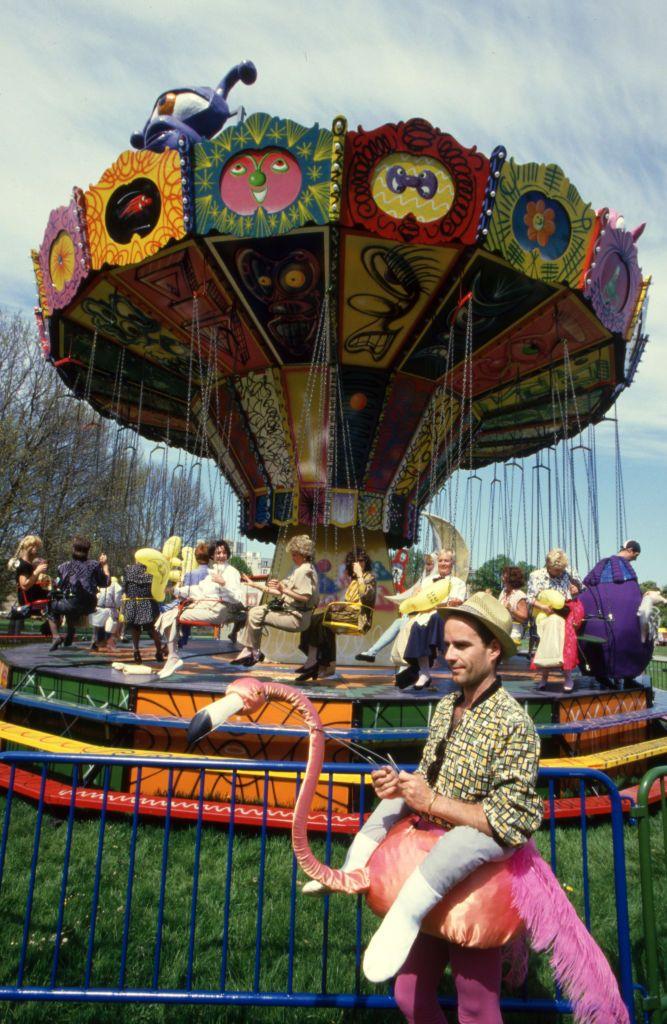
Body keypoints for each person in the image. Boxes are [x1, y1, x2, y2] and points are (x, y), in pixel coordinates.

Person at [304, 592, 542, 1020]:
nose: (448, 655)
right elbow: (434, 775)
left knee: (475, 1005)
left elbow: (513, 820)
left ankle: (404, 914)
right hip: (424, 857)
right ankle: (352, 871)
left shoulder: (514, 723)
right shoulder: (447, 705)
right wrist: (402, 785)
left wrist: (431, 801)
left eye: (462, 646)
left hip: (475, 879)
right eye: (446, 645)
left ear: (493, 649)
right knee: (409, 995)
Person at [156, 539, 245, 677]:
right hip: (206, 605)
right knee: (170, 614)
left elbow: (237, 598)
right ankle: (172, 656)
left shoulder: (232, 572)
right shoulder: (212, 572)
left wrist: (224, 584)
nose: (221, 556)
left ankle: (173, 656)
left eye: (224, 552)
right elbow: (199, 590)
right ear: (212, 556)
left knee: (173, 615)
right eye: (217, 553)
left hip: (220, 609)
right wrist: (177, 591)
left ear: (228, 554)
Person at [231, 535, 319, 668]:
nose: (292, 557)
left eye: (295, 554)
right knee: (254, 611)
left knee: (255, 614)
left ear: (303, 554)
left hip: (297, 618)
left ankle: (254, 652)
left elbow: (305, 597)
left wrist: (283, 589)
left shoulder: (304, 571)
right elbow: (278, 591)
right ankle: (249, 649)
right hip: (294, 614)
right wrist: (254, 584)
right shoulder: (304, 569)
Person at [391, 549, 468, 690]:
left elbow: (458, 600)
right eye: (441, 560)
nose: (443, 563)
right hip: (426, 614)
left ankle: (456, 668)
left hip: (446, 615)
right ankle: (424, 673)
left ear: (452, 563)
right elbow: (418, 600)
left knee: (437, 619)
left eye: (446, 560)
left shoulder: (458, 582)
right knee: (415, 626)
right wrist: (415, 596)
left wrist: (453, 602)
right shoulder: (427, 581)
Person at [579, 540, 652, 687]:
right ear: (630, 550)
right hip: (622, 632)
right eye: (636, 555)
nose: (635, 559)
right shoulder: (629, 583)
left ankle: (602, 675)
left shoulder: (600, 571)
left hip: (596, 631)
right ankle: (627, 676)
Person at [297, 549, 376, 681]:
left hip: (359, 617)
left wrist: (360, 575)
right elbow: (349, 601)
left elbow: (367, 597)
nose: (358, 564)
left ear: (365, 562)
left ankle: (320, 663)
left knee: (321, 620)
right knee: (312, 620)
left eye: (361, 561)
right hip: (348, 613)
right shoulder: (354, 580)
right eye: (355, 562)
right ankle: (318, 662)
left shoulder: (369, 577)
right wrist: (339, 605)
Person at [527, 548, 584, 691]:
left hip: (565, 610)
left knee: (568, 641)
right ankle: (544, 676)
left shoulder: (567, 572)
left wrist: (576, 588)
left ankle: (568, 676)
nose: (559, 573)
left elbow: (582, 587)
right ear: (547, 564)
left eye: (561, 570)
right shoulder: (536, 576)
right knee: (549, 639)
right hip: (545, 612)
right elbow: (530, 598)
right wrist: (543, 607)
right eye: (555, 570)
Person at [47, 537, 111, 650]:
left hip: (72, 603)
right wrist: (105, 565)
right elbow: (105, 582)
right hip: (89, 604)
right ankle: (70, 636)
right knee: (69, 604)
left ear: (73, 549)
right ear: (88, 550)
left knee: (52, 606)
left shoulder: (63, 567)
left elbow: (60, 586)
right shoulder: (94, 565)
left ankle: (56, 637)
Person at [120, 559, 165, 664]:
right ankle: (159, 651)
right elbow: (157, 590)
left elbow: (124, 588)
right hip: (148, 603)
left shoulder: (128, 570)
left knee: (135, 629)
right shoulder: (152, 572)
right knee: (154, 629)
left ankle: (136, 651)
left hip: (133, 603)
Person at [7, 535, 50, 635]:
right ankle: (49, 631)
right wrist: (37, 571)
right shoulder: (24, 565)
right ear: (29, 547)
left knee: (56, 598)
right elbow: (24, 585)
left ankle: (48, 630)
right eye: (36, 547)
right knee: (57, 604)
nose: (37, 550)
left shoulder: (28, 564)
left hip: (33, 597)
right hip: (30, 600)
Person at [176, 541, 212, 650]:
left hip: (193, 605)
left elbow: (185, 593)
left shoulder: (190, 574)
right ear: (209, 557)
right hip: (209, 604)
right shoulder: (214, 573)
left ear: (196, 558)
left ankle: (182, 637)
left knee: (180, 606)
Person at [89, 575, 124, 651]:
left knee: (110, 626)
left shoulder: (114, 585)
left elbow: (117, 599)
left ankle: (109, 643)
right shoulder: (97, 583)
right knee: (97, 627)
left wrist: (116, 606)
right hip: (99, 608)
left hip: (109, 609)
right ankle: (94, 643)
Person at [499, 565, 529, 646]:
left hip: (514, 629)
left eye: (504, 575)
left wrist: (510, 609)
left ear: (511, 578)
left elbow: (524, 618)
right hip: (501, 626)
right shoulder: (503, 592)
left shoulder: (520, 595)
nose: (502, 578)